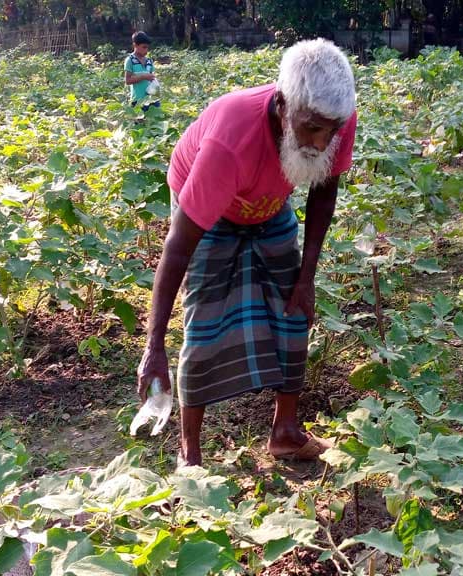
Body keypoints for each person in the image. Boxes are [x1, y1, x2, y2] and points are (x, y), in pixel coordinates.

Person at [136, 39, 358, 467]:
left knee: (294, 308)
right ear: (281, 106)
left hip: (269, 203)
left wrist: (307, 278)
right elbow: (179, 248)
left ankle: (286, 432)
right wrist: (154, 344)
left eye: (330, 129)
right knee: (204, 319)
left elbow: (324, 189)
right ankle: (191, 455)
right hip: (209, 205)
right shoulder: (230, 141)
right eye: (311, 127)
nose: (321, 140)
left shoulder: (334, 117)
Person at [124, 32, 160, 112]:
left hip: (151, 99)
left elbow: (152, 77)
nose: (146, 50)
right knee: (140, 123)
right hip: (137, 101)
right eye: (144, 47)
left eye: (147, 48)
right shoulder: (130, 60)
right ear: (135, 45)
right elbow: (128, 80)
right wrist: (144, 76)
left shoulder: (149, 61)